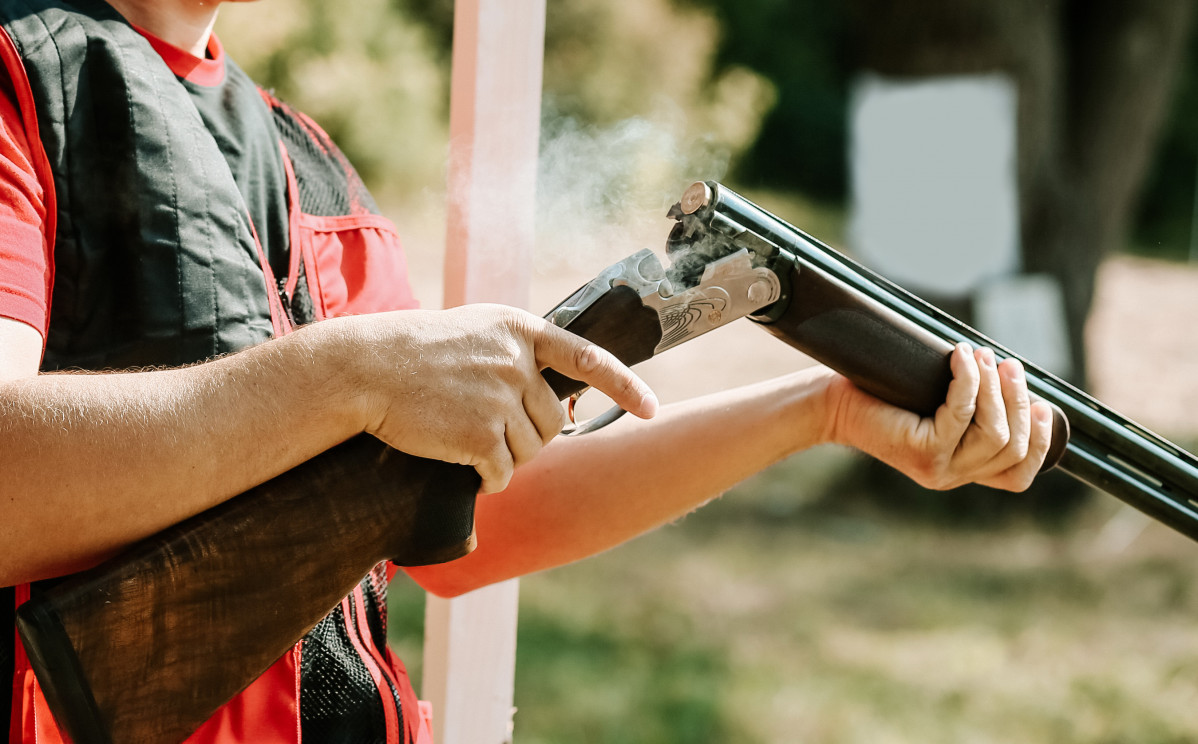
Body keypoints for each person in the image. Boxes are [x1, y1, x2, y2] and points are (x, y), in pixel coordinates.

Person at [0, 0, 1055, 742]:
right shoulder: (21, 74)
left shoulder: (302, 157)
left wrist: (823, 410)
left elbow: (463, 525)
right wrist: (347, 376)